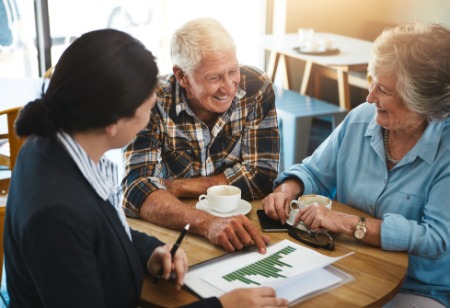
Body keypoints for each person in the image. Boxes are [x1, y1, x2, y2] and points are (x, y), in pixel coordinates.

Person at [3, 29, 288, 308]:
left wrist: (148, 250)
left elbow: (105, 235)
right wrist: (222, 306)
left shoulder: (50, 147)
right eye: (146, 103)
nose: (154, 104)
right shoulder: (56, 214)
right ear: (112, 121)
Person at [262, 22, 450, 307]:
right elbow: (314, 171)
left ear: (421, 101)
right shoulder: (361, 118)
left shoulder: (445, 150)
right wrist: (289, 188)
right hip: (346, 264)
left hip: (418, 288)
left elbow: (436, 237)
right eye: (371, 78)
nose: (369, 96)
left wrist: (351, 224)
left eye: (384, 89)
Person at [123, 17, 280, 253]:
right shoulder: (151, 101)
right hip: (172, 228)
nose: (229, 87)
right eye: (215, 77)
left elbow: (263, 174)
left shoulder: (256, 87)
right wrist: (207, 224)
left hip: (243, 223)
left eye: (233, 71)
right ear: (182, 76)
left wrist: (177, 187)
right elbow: (136, 190)